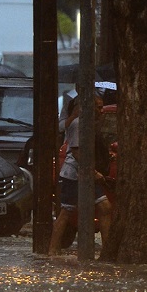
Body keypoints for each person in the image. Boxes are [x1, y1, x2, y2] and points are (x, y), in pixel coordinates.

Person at [48, 93, 112, 257]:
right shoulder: (78, 124)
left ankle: (107, 251)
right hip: (73, 174)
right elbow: (77, 153)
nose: (101, 110)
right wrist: (94, 172)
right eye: (98, 107)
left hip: (86, 174)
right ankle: (52, 249)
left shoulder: (90, 125)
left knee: (105, 207)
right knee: (66, 212)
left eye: (102, 107)